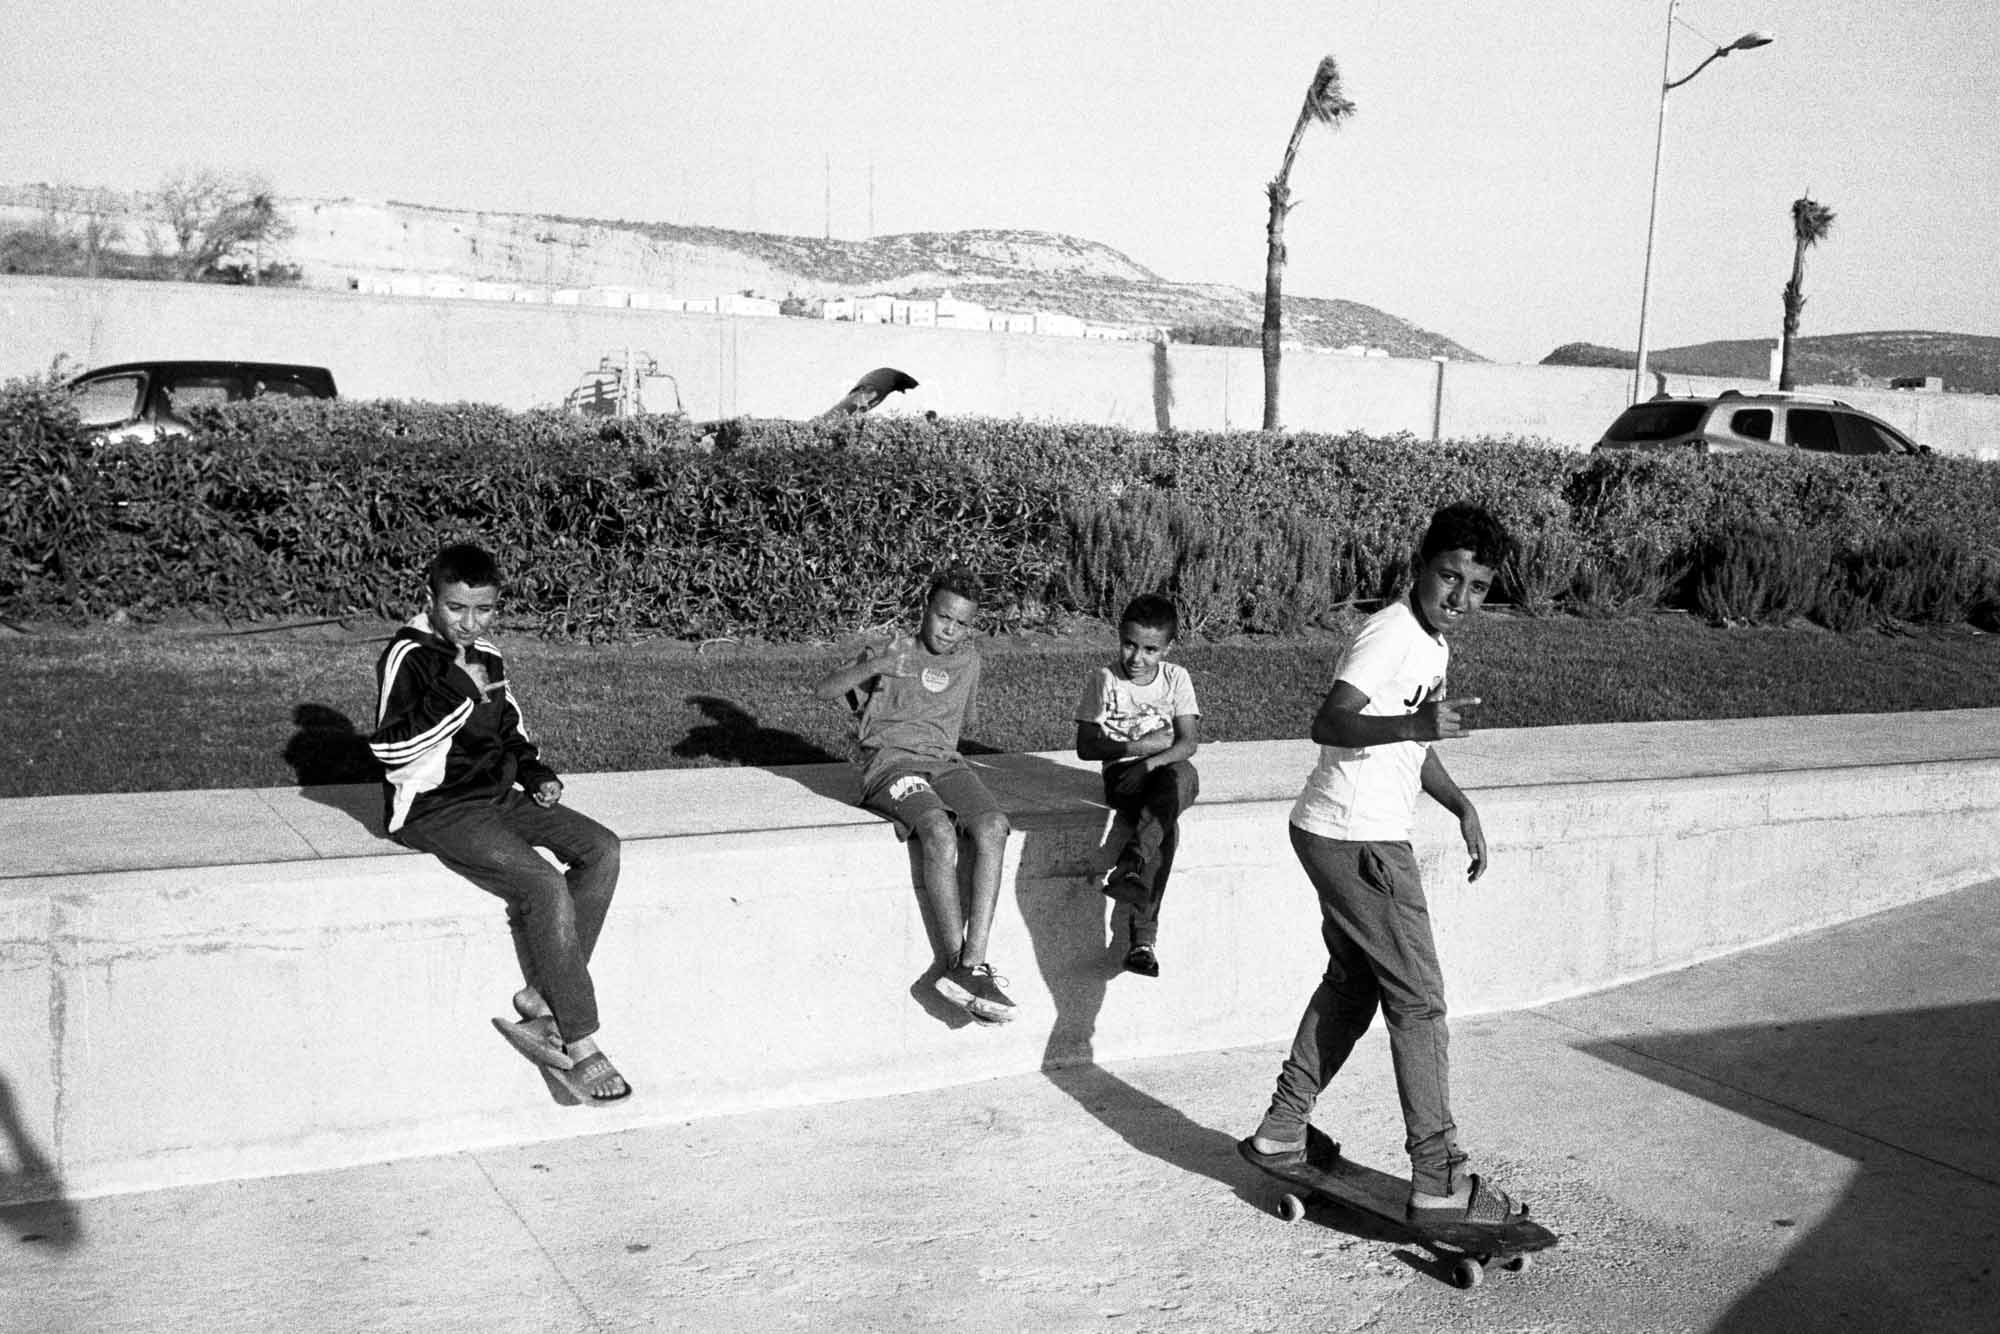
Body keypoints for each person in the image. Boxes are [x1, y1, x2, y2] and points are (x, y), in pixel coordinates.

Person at [1243, 502, 1527, 1227]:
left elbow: (1409, 743)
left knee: (1354, 984)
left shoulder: (1430, 643)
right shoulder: (1391, 635)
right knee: (1419, 1002)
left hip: (1333, 831)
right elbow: (1331, 720)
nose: (1460, 598)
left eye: (1479, 585)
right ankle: (1438, 1174)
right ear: (1419, 569)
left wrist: (1459, 804)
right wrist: (1412, 722)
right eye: (1449, 577)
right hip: (1360, 841)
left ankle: (1283, 1128)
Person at [369, 542, 630, 1104]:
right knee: (541, 881)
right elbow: (393, 751)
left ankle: (542, 996)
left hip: (496, 796)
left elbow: (509, 727)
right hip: (434, 809)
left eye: (483, 609)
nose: (469, 623)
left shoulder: (488, 653)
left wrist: (535, 772)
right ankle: (579, 1040)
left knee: (602, 848)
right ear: (431, 600)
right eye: (457, 608)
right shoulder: (407, 656)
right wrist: (454, 690)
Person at [814, 568, 1017, 1023]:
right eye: (943, 617)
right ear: (925, 609)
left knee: (993, 827)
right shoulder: (892, 650)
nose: (950, 629)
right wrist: (874, 669)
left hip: (945, 763)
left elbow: (965, 720)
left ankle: (972, 966)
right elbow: (823, 689)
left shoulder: (969, 662)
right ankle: (953, 961)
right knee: (939, 832)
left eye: (962, 623)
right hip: (890, 765)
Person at [1073, 594, 1202, 977]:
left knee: (1180, 778)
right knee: (1166, 829)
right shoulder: (1105, 680)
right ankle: (1143, 940)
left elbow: (1188, 743)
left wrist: (1149, 762)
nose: (1137, 658)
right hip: (1123, 777)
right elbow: (1086, 747)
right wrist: (1140, 748)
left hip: (1163, 772)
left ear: (1167, 648)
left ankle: (1132, 864)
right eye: (1129, 644)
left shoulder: (1176, 678)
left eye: (1150, 649)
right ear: (1120, 636)